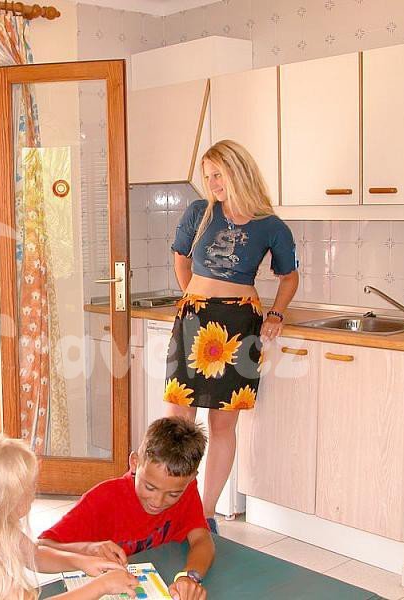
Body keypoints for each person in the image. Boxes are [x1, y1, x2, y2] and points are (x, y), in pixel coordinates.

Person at [165, 139, 299, 533]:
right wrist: (193, 299)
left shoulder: (271, 226)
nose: (212, 184)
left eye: (218, 175)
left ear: (239, 172)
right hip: (194, 321)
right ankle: (178, 505)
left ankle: (205, 513)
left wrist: (277, 312)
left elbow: (289, 276)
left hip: (239, 326)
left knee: (223, 424)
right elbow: (180, 257)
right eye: (208, 177)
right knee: (177, 420)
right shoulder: (199, 212)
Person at [0, 435, 139, 600]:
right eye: (30, 487)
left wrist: (81, 561)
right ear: (6, 501)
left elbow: (35, 554)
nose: (34, 492)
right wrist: (100, 586)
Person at [39, 417, 213, 600]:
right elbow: (41, 547)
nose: (158, 501)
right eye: (150, 487)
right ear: (135, 463)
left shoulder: (186, 488)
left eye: (173, 494)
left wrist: (189, 576)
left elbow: (202, 539)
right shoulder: (103, 499)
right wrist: (88, 548)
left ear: (191, 478)